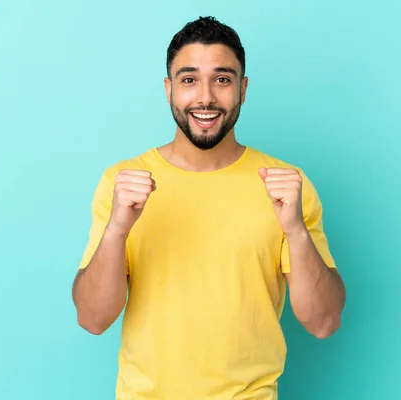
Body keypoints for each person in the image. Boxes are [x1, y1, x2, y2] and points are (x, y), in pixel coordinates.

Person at [72, 16, 346, 400]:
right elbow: (92, 318)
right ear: (168, 89)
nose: (205, 97)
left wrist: (296, 230)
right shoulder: (121, 183)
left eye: (222, 79)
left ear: (242, 89)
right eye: (188, 79)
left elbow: (324, 321)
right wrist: (117, 230)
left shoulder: (286, 186)